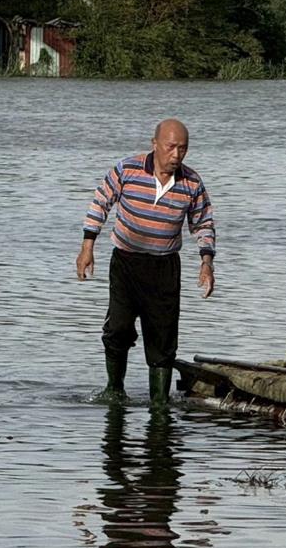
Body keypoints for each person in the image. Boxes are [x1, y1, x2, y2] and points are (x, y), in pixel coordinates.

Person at [76, 118, 216, 403]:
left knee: (162, 340)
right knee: (117, 329)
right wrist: (87, 246)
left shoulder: (191, 182)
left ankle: (159, 403)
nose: (177, 155)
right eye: (171, 147)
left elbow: (203, 224)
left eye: (183, 149)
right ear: (155, 145)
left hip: (164, 267)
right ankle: (115, 389)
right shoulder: (128, 169)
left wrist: (206, 263)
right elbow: (100, 202)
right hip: (126, 262)